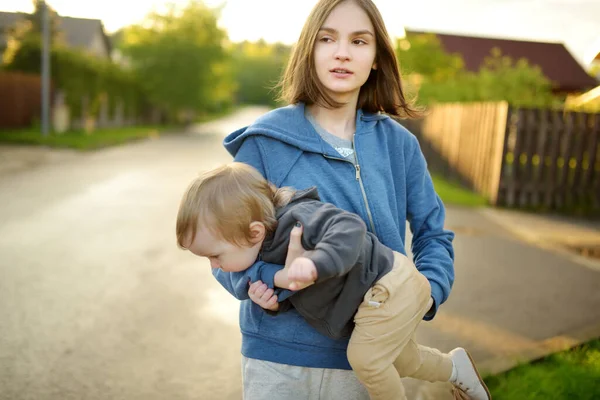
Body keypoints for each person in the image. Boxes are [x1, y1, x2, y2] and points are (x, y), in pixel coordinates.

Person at [209, 0, 460, 398]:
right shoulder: (264, 143)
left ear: (376, 58)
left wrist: (426, 291)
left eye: (359, 41)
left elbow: (433, 233)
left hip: (367, 360)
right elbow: (221, 246)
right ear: (309, 50)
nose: (342, 52)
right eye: (327, 39)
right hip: (279, 361)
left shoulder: (400, 146)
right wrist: (258, 281)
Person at [176, 162, 491, 400]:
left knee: (366, 360)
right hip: (375, 303)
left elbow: (349, 230)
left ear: (254, 232)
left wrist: (315, 265)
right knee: (403, 360)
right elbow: (300, 295)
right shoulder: (262, 251)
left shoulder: (301, 217)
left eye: (215, 256)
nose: (214, 266)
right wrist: (271, 302)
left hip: (392, 284)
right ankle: (454, 367)